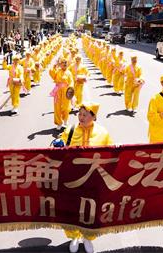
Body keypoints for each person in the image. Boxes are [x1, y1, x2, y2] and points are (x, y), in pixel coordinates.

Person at [59, 101, 112, 253]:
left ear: (93, 117)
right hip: (72, 177)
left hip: (93, 180)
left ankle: (88, 237)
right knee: (72, 208)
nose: (81, 117)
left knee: (91, 210)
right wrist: (58, 145)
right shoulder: (70, 130)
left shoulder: (103, 133)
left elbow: (110, 155)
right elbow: (60, 147)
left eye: (85, 115)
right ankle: (74, 235)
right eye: (79, 114)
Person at [49, 57, 74, 129]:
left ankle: (65, 120)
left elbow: (71, 81)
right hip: (58, 92)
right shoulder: (57, 71)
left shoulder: (69, 73)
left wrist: (71, 88)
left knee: (66, 107)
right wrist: (55, 65)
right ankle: (59, 123)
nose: (65, 65)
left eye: (66, 63)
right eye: (63, 63)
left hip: (66, 92)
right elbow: (51, 73)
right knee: (57, 108)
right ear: (60, 65)